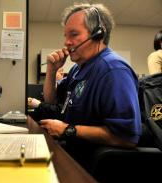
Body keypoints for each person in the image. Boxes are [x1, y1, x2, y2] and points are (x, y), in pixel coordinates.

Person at [39, 3, 142, 170]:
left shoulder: (113, 70)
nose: (67, 42)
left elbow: (127, 137)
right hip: (70, 156)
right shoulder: (77, 69)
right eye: (66, 36)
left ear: (98, 34)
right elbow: (51, 100)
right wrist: (51, 70)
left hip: (92, 168)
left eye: (73, 35)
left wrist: (68, 130)